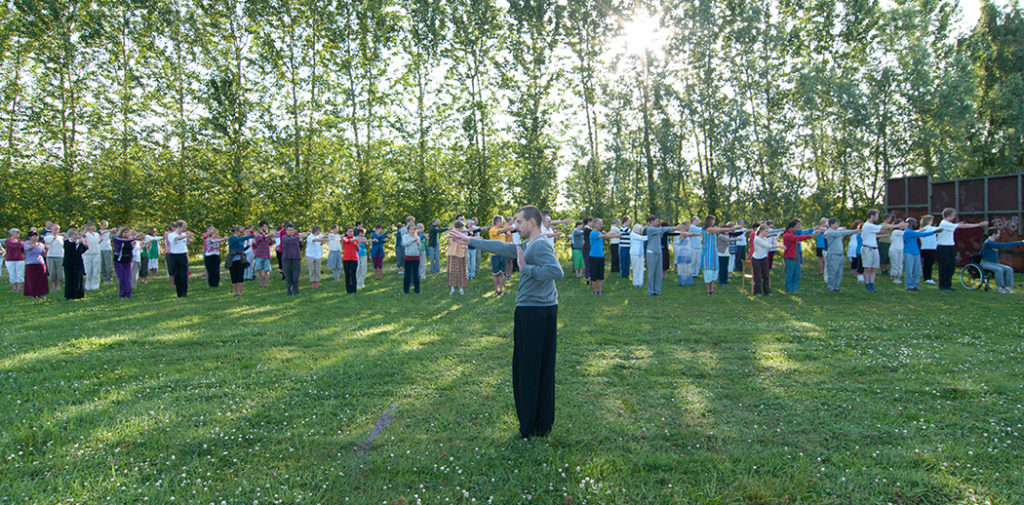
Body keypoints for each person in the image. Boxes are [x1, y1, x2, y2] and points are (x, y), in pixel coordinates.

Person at [450, 205, 564, 438]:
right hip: (539, 310)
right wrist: (469, 240)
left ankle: (532, 424)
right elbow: (502, 247)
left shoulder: (539, 244)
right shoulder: (530, 244)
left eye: (519, 222)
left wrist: (526, 269)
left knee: (528, 369)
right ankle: (540, 423)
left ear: (532, 222)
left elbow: (556, 271)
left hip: (534, 312)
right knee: (537, 368)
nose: (515, 226)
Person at [935, 208, 988, 291]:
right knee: (944, 266)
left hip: (950, 247)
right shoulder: (944, 223)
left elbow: (958, 225)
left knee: (951, 266)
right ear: (948, 215)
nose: (954, 216)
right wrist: (979, 224)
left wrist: (958, 224)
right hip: (943, 247)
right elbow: (962, 226)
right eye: (953, 215)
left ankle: (948, 284)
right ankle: (943, 285)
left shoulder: (949, 224)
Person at [858, 209, 906, 293]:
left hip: (874, 248)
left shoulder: (872, 226)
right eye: (876, 216)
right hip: (867, 248)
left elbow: (879, 231)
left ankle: (872, 285)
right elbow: (883, 227)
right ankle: (867, 286)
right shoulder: (867, 225)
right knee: (868, 268)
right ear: (871, 216)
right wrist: (897, 225)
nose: (877, 218)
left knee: (873, 268)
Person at [699, 216, 740, 295]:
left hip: (714, 253)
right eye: (714, 220)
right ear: (710, 221)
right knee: (708, 271)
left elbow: (718, 229)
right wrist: (731, 228)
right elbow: (720, 230)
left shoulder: (712, 229)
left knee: (714, 271)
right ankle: (708, 290)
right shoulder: (708, 229)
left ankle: (712, 289)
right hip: (708, 253)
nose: (714, 222)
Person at [646, 216, 686, 295]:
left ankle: (657, 291)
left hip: (658, 252)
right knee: (651, 273)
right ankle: (650, 291)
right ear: (651, 221)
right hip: (651, 253)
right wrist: (674, 227)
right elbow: (662, 229)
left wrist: (677, 230)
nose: (658, 223)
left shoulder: (657, 229)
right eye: (656, 221)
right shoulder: (650, 229)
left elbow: (664, 232)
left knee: (658, 272)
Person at [979, 227, 1022, 294]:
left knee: (1009, 269)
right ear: (994, 234)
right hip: (986, 263)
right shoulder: (988, 243)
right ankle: (1000, 287)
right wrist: (1021, 242)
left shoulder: (993, 242)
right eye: (998, 233)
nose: (999, 235)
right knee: (999, 270)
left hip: (994, 263)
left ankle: (1007, 287)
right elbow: (1004, 245)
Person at [780, 220, 818, 294]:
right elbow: (798, 238)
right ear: (791, 227)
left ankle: (794, 289)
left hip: (796, 256)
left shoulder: (792, 234)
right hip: (790, 257)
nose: (798, 228)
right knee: (790, 274)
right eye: (797, 227)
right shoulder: (787, 235)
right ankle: (788, 289)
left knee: (797, 274)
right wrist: (810, 236)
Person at [588, 218, 622, 295]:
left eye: (601, 224)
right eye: (600, 224)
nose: (601, 225)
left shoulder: (599, 233)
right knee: (594, 274)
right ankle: (595, 290)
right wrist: (615, 235)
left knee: (600, 274)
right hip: (594, 256)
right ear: (595, 225)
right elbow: (605, 236)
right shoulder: (593, 233)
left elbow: (606, 235)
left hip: (601, 256)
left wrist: (615, 235)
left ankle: (600, 290)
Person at [823, 219, 858, 292]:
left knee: (839, 272)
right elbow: (842, 233)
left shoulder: (837, 232)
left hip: (840, 254)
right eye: (836, 224)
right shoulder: (830, 232)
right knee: (833, 271)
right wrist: (854, 231)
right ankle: (831, 287)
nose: (838, 226)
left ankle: (837, 287)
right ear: (831, 225)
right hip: (833, 254)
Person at [902, 218, 936, 291]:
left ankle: (915, 285)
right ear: (910, 224)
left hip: (916, 252)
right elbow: (921, 234)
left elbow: (918, 232)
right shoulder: (907, 231)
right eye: (915, 223)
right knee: (909, 270)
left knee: (917, 270)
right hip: (908, 252)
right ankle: (909, 286)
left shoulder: (912, 231)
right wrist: (934, 232)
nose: (916, 224)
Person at [166, 221, 194, 297]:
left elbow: (186, 243)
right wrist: (186, 236)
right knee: (177, 274)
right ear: (178, 227)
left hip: (183, 255)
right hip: (174, 255)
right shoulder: (171, 235)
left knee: (184, 274)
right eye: (183, 227)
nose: (185, 229)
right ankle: (179, 292)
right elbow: (176, 239)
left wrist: (190, 238)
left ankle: (184, 292)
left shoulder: (184, 234)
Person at [226, 226, 255, 296]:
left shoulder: (241, 240)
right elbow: (239, 240)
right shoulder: (232, 238)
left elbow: (242, 248)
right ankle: (236, 292)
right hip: (232, 260)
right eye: (241, 232)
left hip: (240, 259)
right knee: (234, 276)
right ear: (236, 231)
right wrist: (252, 235)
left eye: (242, 232)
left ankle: (240, 292)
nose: (242, 233)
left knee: (240, 276)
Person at [22, 231, 49, 301]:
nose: (36, 238)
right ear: (30, 237)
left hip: (40, 263)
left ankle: (40, 295)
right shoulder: (26, 245)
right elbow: (29, 249)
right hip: (30, 264)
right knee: (32, 280)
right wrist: (33, 243)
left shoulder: (41, 245)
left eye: (37, 236)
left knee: (41, 280)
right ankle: (34, 295)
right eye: (34, 236)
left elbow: (43, 253)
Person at [111, 227, 138, 298]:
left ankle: (128, 294)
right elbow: (119, 239)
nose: (126, 234)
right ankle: (122, 294)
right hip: (119, 261)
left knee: (127, 277)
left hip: (128, 260)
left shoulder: (130, 240)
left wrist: (133, 245)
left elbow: (130, 249)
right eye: (125, 232)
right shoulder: (117, 239)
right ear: (121, 233)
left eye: (128, 232)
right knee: (121, 278)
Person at [63, 227, 88, 300]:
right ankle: (69, 295)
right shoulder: (67, 242)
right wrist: (76, 243)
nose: (77, 236)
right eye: (75, 234)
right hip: (69, 264)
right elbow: (69, 248)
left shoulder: (79, 242)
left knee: (78, 279)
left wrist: (83, 241)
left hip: (78, 263)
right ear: (70, 235)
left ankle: (78, 295)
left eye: (77, 234)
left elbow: (84, 249)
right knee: (69, 280)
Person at [280, 226, 306, 295]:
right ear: (286, 231)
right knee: (288, 276)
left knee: (295, 276)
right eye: (289, 230)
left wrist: (301, 240)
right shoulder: (284, 237)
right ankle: (289, 291)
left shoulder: (296, 237)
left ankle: (296, 291)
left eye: (292, 230)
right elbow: (289, 241)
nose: (291, 232)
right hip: (286, 258)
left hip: (296, 258)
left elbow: (301, 246)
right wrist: (299, 236)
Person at [751, 224, 776, 296]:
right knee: (758, 276)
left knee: (766, 275)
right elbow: (767, 246)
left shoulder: (765, 238)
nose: (767, 233)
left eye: (767, 231)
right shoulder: (757, 239)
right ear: (761, 231)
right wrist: (779, 246)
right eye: (766, 231)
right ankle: (757, 291)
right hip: (756, 259)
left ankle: (767, 290)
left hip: (764, 258)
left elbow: (767, 246)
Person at [487, 216, 509, 295]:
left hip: (502, 254)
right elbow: (498, 233)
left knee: (502, 272)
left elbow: (504, 242)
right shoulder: (493, 229)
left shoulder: (502, 231)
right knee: (495, 273)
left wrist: (508, 235)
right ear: (497, 222)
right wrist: (508, 229)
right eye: (501, 221)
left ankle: (501, 290)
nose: (502, 223)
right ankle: (496, 290)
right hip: (495, 255)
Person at [447, 220, 469, 295]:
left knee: (461, 271)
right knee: (453, 271)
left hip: (461, 254)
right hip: (453, 254)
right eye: (462, 228)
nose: (463, 229)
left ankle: (460, 288)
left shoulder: (460, 233)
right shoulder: (452, 233)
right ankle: (452, 288)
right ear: (459, 227)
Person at [401, 222, 422, 294]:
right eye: (411, 229)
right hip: (408, 257)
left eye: (414, 229)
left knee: (416, 274)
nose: (413, 231)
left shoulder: (418, 237)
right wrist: (413, 240)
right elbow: (404, 244)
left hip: (416, 257)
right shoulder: (405, 236)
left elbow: (420, 248)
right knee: (407, 274)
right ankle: (406, 290)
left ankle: (417, 290)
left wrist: (419, 243)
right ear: (408, 230)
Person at [341, 226, 362, 294]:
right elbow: (347, 241)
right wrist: (356, 238)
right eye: (349, 231)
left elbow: (358, 249)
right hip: (346, 259)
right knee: (347, 275)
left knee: (353, 274)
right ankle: (348, 290)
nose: (351, 233)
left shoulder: (355, 239)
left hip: (354, 258)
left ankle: (354, 289)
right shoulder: (344, 238)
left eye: (352, 231)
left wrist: (357, 245)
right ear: (346, 232)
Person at [82, 223, 103, 291]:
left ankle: (95, 286)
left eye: (92, 226)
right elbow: (83, 237)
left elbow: (97, 242)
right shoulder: (86, 234)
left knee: (96, 270)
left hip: (96, 253)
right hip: (88, 254)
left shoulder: (96, 234)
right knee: (88, 270)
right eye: (90, 226)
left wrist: (101, 240)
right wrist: (84, 233)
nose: (91, 227)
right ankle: (88, 286)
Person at [44, 224, 64, 293]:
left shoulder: (61, 237)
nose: (56, 231)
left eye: (57, 229)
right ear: (51, 229)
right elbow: (47, 245)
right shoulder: (48, 237)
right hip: (50, 256)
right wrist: (54, 238)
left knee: (59, 271)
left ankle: (58, 285)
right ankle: (53, 285)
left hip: (60, 256)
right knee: (52, 271)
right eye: (55, 229)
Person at [253, 222, 274, 288]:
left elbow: (268, 244)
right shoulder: (258, 234)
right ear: (261, 227)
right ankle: (261, 284)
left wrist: (272, 240)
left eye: (267, 227)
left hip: (266, 255)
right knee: (260, 271)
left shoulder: (266, 235)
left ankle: (266, 285)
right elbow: (258, 239)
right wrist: (267, 235)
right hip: (259, 255)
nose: (266, 228)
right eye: (264, 227)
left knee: (267, 270)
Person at [919, 215, 938, 284]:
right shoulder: (929, 228)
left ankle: (926, 277)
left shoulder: (923, 228)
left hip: (925, 248)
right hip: (930, 248)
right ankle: (928, 278)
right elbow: (939, 229)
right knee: (928, 264)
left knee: (926, 264)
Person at [889, 218, 905, 284]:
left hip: (901, 249)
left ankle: (898, 276)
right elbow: (907, 233)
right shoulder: (895, 232)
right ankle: (894, 277)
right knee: (895, 263)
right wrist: (920, 231)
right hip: (894, 249)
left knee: (900, 263)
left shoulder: (902, 232)